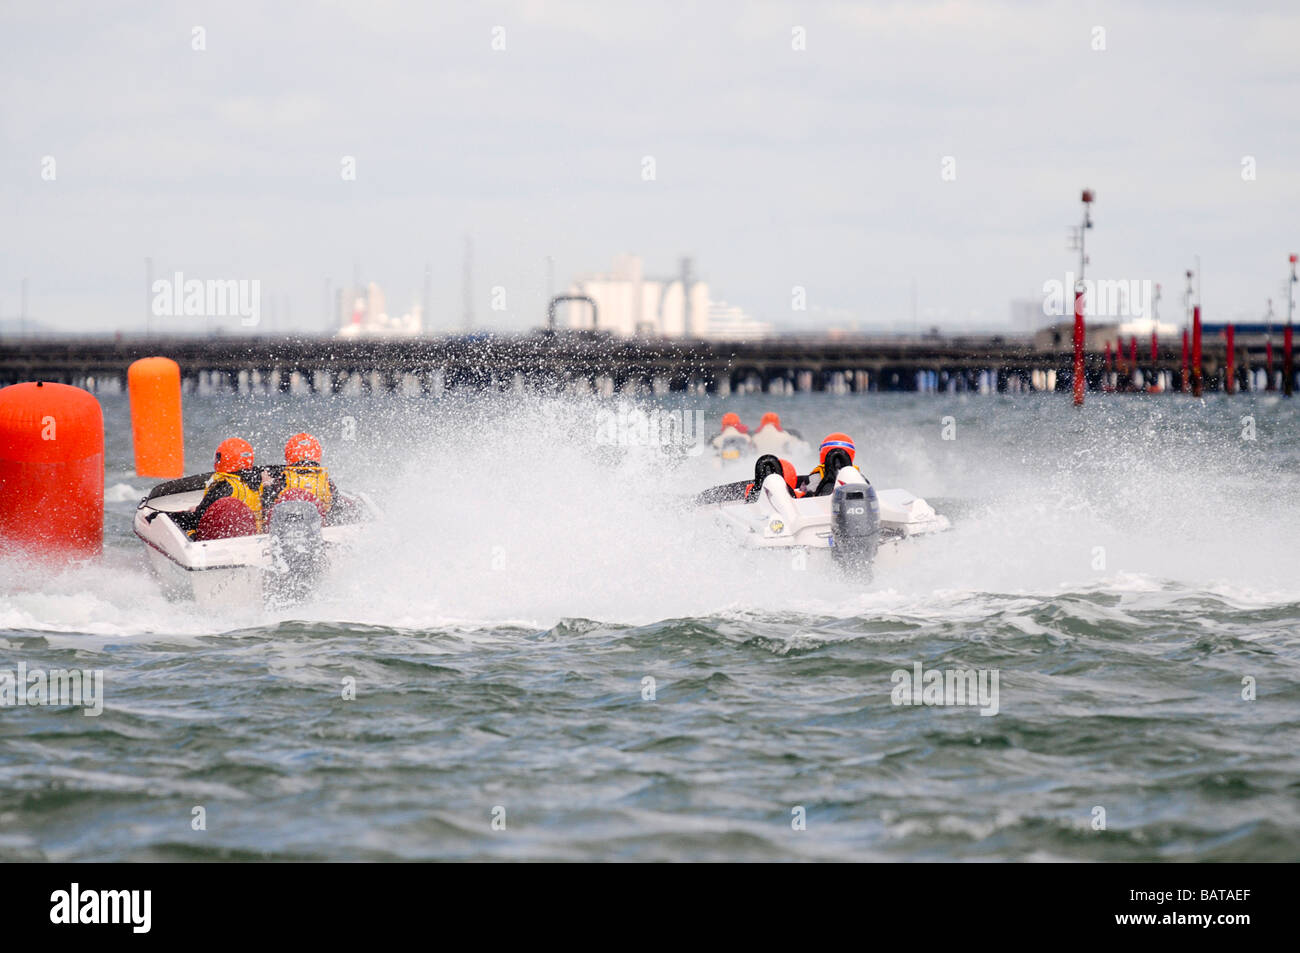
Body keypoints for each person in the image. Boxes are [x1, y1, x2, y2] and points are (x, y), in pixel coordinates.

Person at [188, 437, 264, 537]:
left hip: (222, 542)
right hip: (252, 537)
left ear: (223, 459)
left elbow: (199, 518)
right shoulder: (258, 483)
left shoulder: (224, 486)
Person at [267, 432, 336, 515]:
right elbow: (337, 508)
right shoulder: (326, 480)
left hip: (288, 523)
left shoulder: (283, 478)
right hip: (318, 525)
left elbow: (269, 506)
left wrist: (267, 487)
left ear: (289, 453)